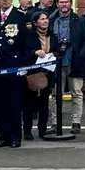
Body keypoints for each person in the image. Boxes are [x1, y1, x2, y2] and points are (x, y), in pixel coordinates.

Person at [49, 0, 85, 134]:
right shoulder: (52, 19)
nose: (64, 5)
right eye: (61, 2)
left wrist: (81, 56)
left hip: (74, 61)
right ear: (57, 4)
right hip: (56, 62)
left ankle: (76, 122)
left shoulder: (80, 19)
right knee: (55, 94)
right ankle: (55, 122)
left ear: (71, 3)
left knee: (77, 93)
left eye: (66, 2)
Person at [0, 0, 29, 148]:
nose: (5, 0)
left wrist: (23, 64)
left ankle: (16, 136)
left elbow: (27, 43)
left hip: (14, 66)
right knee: (0, 102)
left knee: (15, 102)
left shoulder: (20, 17)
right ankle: (3, 135)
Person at [23, 11, 54, 140]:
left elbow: (57, 49)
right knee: (29, 104)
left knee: (44, 104)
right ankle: (27, 130)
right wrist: (34, 52)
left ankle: (43, 130)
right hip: (32, 73)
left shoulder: (52, 34)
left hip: (47, 72)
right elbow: (24, 52)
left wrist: (53, 54)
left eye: (46, 18)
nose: (45, 21)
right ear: (35, 23)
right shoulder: (30, 35)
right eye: (42, 19)